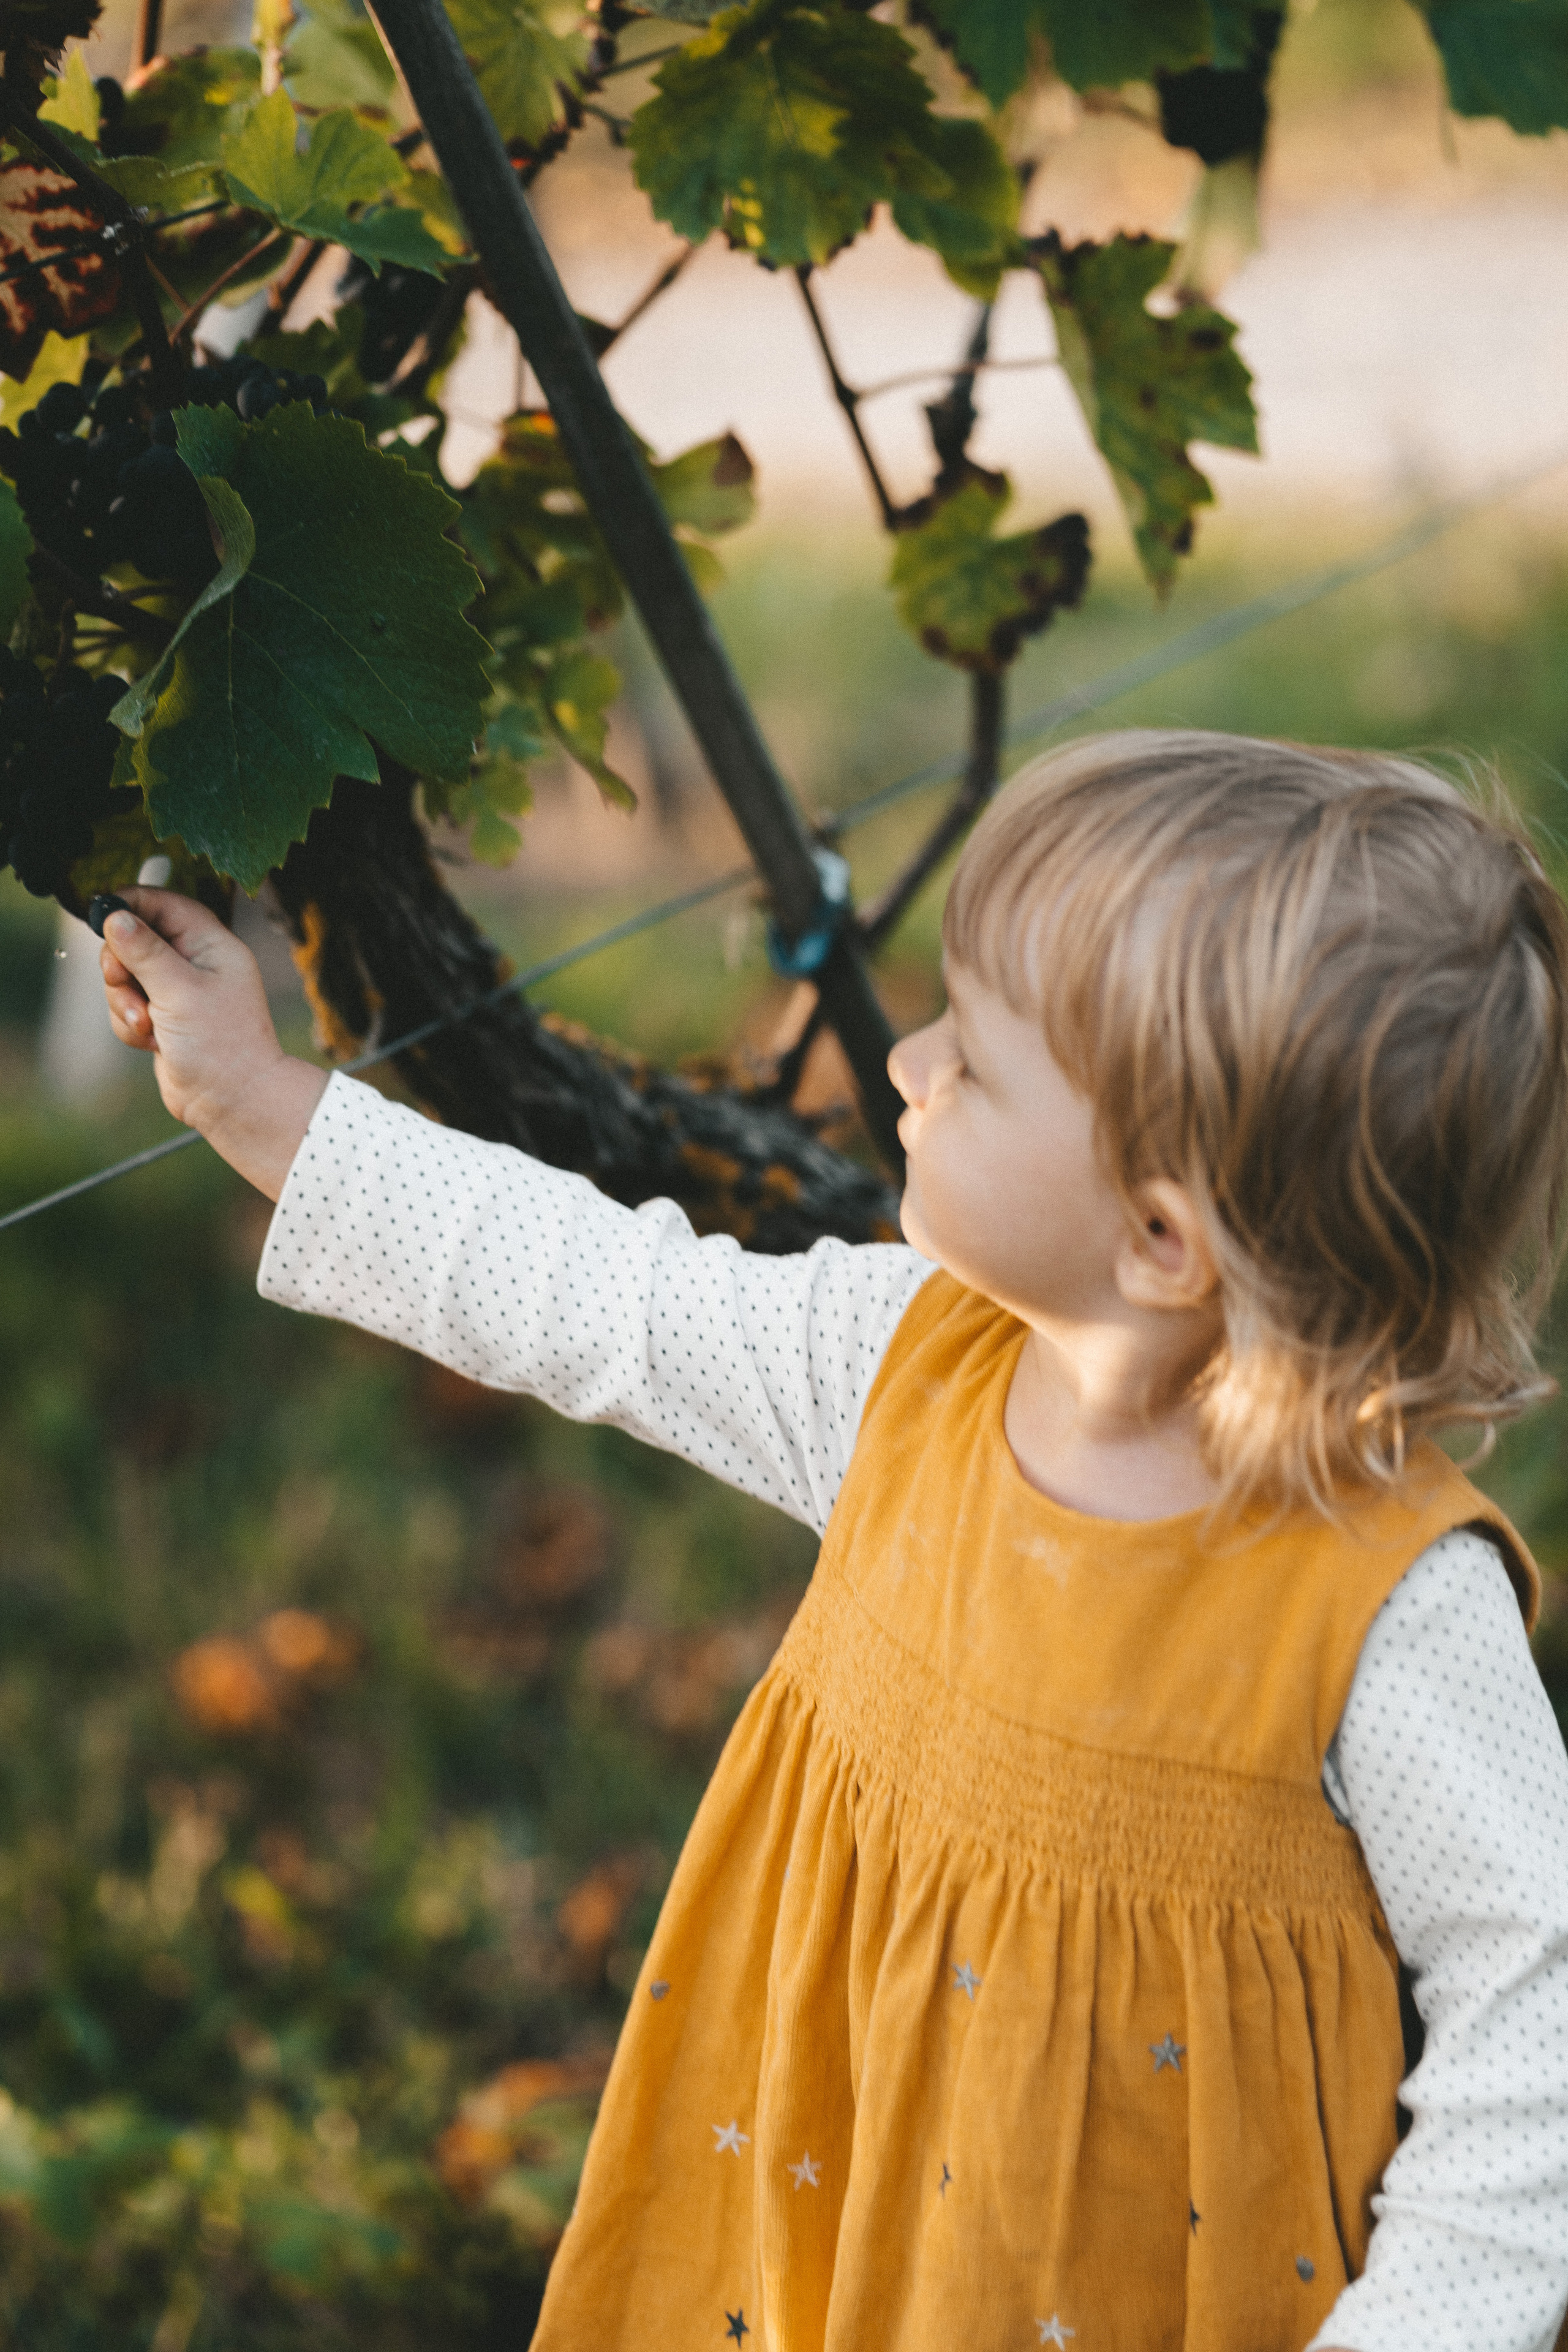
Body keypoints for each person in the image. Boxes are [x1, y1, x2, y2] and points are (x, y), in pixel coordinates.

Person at [97, 728, 1568, 2352]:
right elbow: (600, 1294)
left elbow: (1539, 2031)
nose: (911, 1062)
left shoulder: (1384, 1610)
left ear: (1162, 1238)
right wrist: (259, 1100)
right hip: (826, 2199)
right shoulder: (901, 1371)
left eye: (981, 1063)